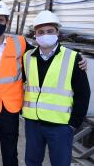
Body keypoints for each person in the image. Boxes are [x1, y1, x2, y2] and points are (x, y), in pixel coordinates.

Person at [0, 1, 87, 166]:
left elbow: (48, 48)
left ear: (7, 22)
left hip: (10, 108)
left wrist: (78, 57)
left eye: (0, 20)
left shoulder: (20, 44)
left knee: (10, 153)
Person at [22, 10, 91, 166]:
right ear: (35, 35)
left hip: (60, 126)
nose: (45, 35)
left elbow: (83, 94)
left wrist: (73, 124)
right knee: (32, 162)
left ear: (57, 32)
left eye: (49, 31)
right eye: (41, 32)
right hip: (33, 124)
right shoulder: (27, 57)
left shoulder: (73, 58)